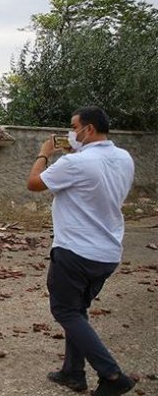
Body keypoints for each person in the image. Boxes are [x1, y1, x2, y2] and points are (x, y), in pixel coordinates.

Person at [26, 106, 136, 395]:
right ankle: (73, 372)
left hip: (75, 251)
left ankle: (112, 375)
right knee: (77, 310)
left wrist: (44, 154)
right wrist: (75, 152)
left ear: (89, 129)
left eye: (74, 127)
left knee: (64, 310)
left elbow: (34, 183)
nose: (70, 133)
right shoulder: (124, 158)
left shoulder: (74, 163)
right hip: (107, 252)